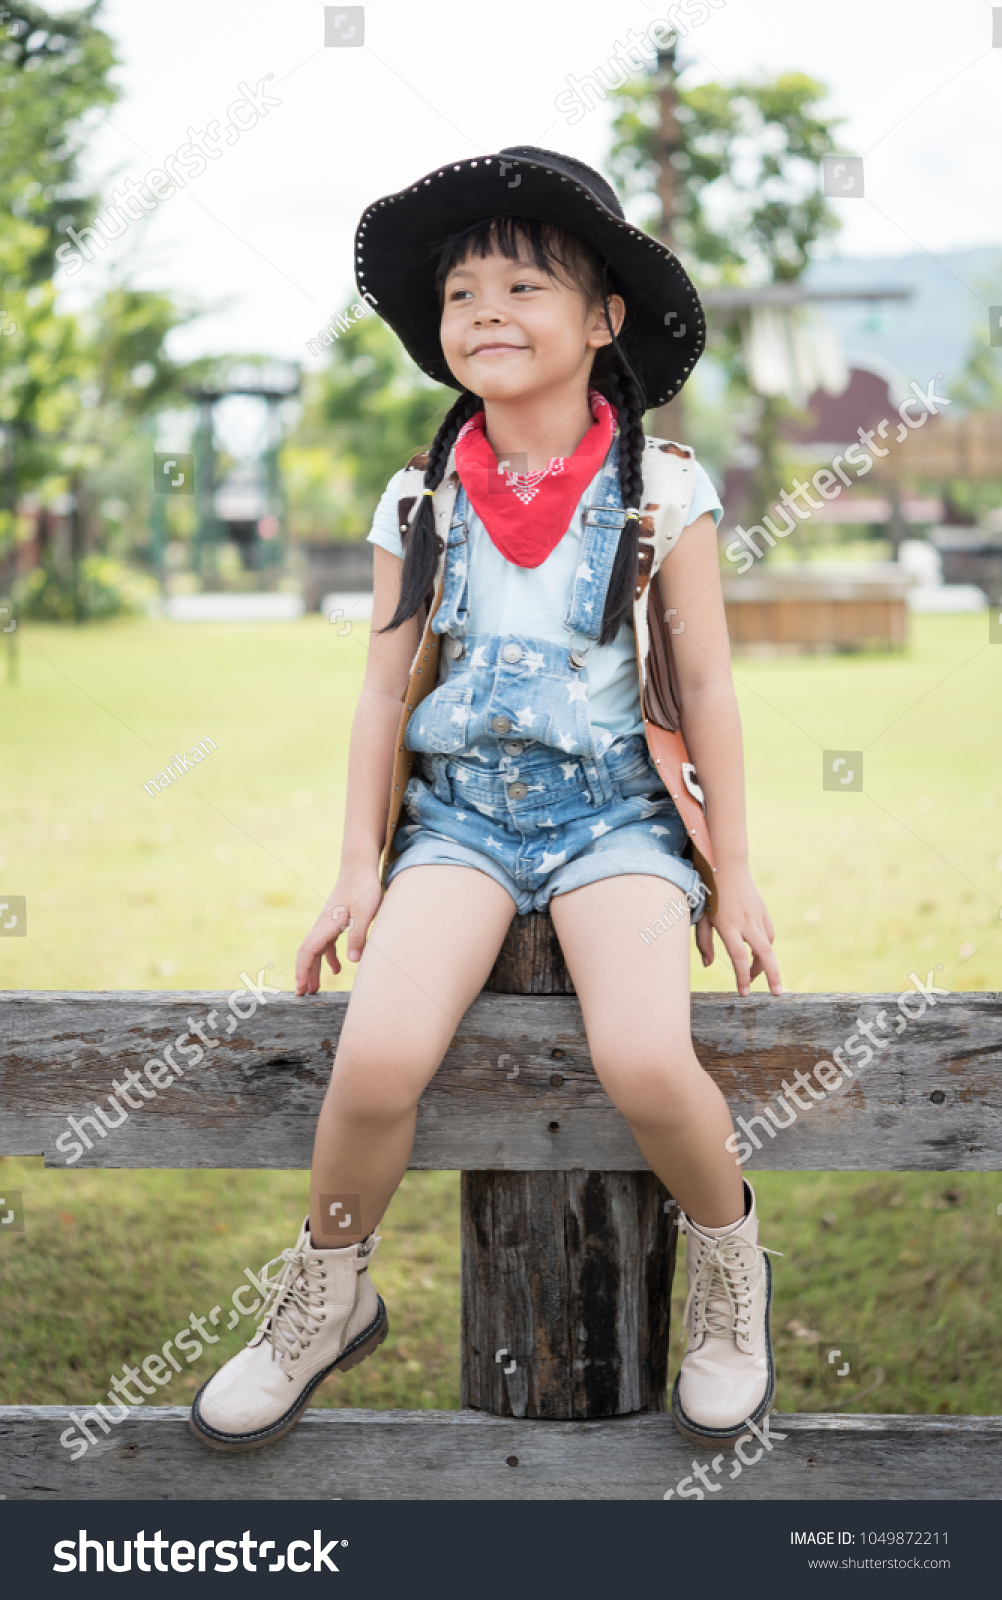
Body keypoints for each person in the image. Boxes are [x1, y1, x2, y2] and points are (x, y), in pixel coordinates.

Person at [189, 145, 783, 1455]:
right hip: (459, 821)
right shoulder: (423, 500)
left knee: (639, 1057)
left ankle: (729, 1273)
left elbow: (712, 691)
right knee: (379, 1057)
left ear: (602, 320)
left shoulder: (660, 491)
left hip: (615, 819)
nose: (488, 312)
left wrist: (730, 871)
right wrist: (360, 862)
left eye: (525, 284)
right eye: (462, 293)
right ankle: (328, 1291)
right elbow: (380, 697)